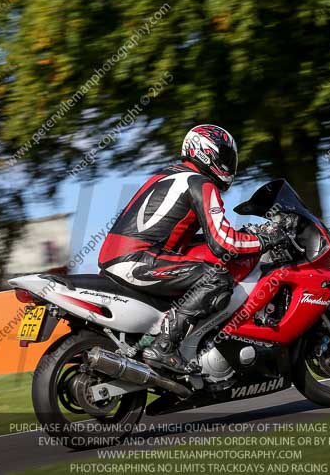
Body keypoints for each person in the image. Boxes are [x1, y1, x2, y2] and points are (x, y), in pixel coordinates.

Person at [98, 125, 287, 373]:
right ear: (208, 153)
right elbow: (224, 243)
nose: (230, 164)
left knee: (201, 266)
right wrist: (264, 239)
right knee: (215, 279)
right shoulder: (200, 183)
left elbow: (191, 237)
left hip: (121, 259)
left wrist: (246, 235)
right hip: (139, 259)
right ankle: (164, 347)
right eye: (226, 156)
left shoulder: (166, 176)